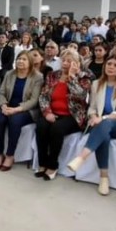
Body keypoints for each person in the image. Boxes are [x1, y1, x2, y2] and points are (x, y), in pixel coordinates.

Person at [67, 54, 116, 195]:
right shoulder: (96, 84)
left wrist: (102, 118)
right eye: (109, 64)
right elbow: (92, 107)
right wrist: (93, 116)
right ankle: (104, 177)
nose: (111, 67)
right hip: (100, 123)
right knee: (103, 133)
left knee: (105, 124)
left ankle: (81, 157)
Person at [34, 49, 93, 181]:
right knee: (41, 126)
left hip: (73, 115)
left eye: (69, 61)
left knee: (57, 129)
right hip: (53, 112)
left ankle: (52, 165)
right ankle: (42, 163)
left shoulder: (84, 77)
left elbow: (81, 96)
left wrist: (72, 77)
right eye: (63, 60)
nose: (65, 63)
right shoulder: (52, 75)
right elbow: (43, 96)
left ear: (77, 63)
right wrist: (47, 112)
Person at [0, 51, 43, 171]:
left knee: (14, 121)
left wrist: (16, 109)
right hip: (8, 107)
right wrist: (3, 105)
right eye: (19, 59)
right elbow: (1, 93)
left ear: (30, 62)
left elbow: (34, 100)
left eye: (24, 59)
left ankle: (10, 155)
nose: (20, 61)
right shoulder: (10, 74)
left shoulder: (37, 77)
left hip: (26, 110)